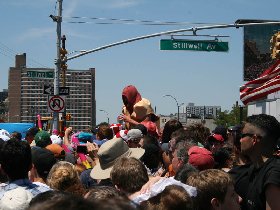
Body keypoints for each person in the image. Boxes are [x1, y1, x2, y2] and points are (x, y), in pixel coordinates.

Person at [229, 114, 280, 210]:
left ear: (254, 139)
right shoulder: (253, 169)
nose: (240, 140)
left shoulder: (274, 173)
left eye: (243, 135)